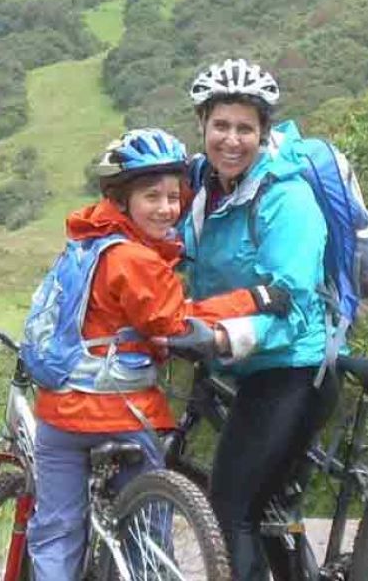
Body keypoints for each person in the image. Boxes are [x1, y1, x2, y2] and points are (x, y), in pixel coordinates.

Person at [27, 128, 289, 581]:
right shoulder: (135, 260)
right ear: (123, 200)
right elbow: (175, 324)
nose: (167, 208)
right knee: (147, 534)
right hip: (122, 413)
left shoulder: (85, 244)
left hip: (58, 417)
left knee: (56, 531)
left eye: (174, 195)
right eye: (153, 196)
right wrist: (253, 300)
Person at [178, 58, 342, 581]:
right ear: (201, 126)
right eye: (221, 125)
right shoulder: (205, 192)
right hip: (255, 369)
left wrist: (229, 334)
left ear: (264, 132)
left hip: (294, 369)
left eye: (245, 128)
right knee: (268, 514)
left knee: (232, 509)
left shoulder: (286, 199)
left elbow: (289, 301)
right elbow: (168, 255)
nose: (231, 139)